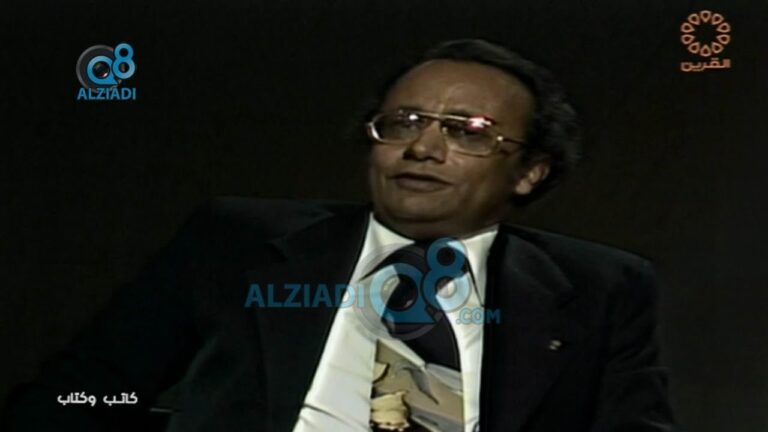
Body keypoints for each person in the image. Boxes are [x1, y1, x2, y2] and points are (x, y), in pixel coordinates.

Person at [2, 39, 675, 432]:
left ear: (529, 171)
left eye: (467, 132)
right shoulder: (238, 242)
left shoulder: (600, 288)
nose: (422, 148)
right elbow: (88, 390)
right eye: (403, 123)